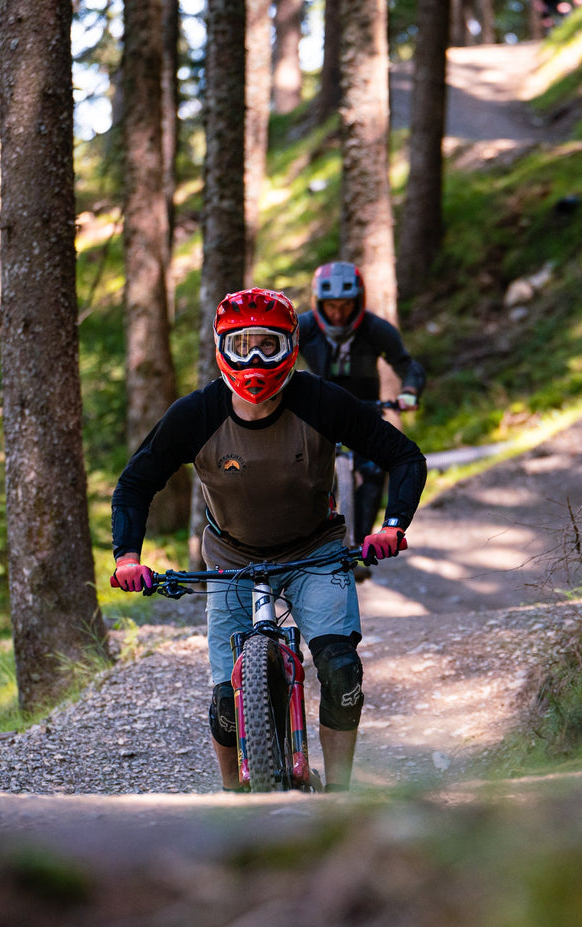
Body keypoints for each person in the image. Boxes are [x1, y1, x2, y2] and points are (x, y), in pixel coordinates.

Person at [109, 288, 427, 793]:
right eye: (241, 346)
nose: (255, 359)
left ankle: (340, 795)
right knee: (225, 703)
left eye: (268, 345)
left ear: (292, 347)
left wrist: (392, 527)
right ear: (221, 349)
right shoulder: (197, 413)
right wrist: (128, 557)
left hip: (316, 550)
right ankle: (235, 799)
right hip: (230, 557)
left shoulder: (320, 400)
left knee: (341, 671)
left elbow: (403, 455)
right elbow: (135, 484)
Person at [296, 262, 427, 555]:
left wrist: (409, 391)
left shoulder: (375, 328)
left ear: (359, 302)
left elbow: (407, 365)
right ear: (319, 303)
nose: (338, 314)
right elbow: (278, 354)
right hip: (320, 413)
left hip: (365, 411)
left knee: (374, 469)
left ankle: (360, 541)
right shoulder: (303, 327)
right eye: (331, 306)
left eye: (345, 305)